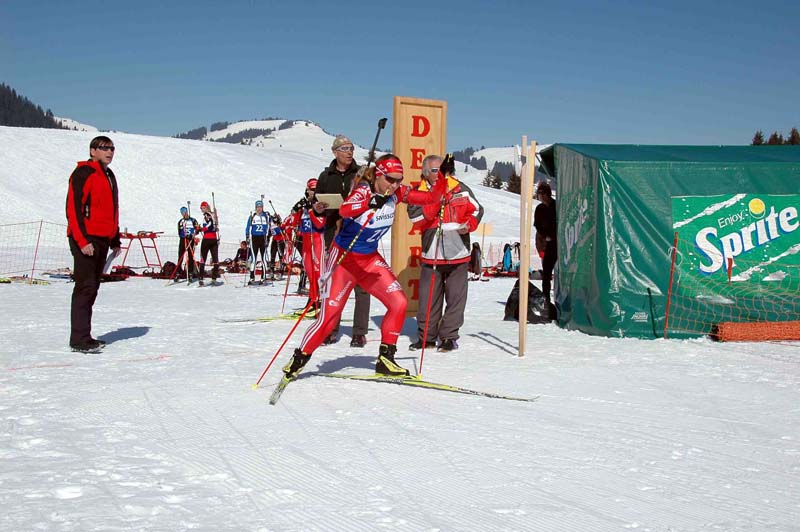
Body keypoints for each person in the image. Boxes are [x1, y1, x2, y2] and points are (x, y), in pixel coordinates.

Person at [282, 154, 447, 380]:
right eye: (390, 179)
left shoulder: (396, 193)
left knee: (399, 303)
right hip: (345, 261)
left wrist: (442, 177)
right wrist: (369, 202)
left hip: (369, 260)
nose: (394, 184)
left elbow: (431, 198)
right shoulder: (363, 190)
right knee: (329, 318)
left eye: (398, 180)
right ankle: (300, 358)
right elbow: (345, 210)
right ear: (378, 175)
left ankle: (386, 359)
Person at [408, 154, 484, 353]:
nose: (440, 173)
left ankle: (449, 336)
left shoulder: (460, 188)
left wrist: (469, 224)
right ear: (425, 172)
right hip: (432, 254)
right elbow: (416, 218)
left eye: (442, 169)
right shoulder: (418, 192)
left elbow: (476, 210)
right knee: (428, 300)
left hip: (458, 253)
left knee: (456, 299)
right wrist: (436, 201)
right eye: (435, 170)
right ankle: (426, 337)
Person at [65, 135, 121, 352]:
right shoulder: (83, 172)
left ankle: (85, 336)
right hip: (85, 238)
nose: (109, 152)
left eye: (112, 148)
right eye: (104, 148)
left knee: (93, 288)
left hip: (102, 239)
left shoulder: (109, 175)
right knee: (85, 287)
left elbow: (112, 209)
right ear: (92, 151)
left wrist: (114, 238)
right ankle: (78, 340)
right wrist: (82, 240)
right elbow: (73, 209)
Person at [315, 135, 371, 347]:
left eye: (351, 148)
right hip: (334, 233)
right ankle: (331, 329)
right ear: (335, 151)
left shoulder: (362, 174)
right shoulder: (325, 176)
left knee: (361, 286)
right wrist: (318, 207)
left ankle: (359, 332)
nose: (349, 152)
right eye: (345, 148)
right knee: (334, 284)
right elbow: (316, 203)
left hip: (359, 234)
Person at [533, 182, 557, 302]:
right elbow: (537, 226)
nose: (541, 196)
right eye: (539, 194)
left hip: (559, 244)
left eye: (542, 194)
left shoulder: (556, 206)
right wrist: (545, 236)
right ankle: (546, 299)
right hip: (547, 245)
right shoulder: (539, 209)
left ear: (547, 194)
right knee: (546, 274)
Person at [245, 200, 271, 284]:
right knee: (254, 259)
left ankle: (263, 277)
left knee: (263, 259)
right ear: (255, 208)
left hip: (263, 238)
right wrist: (247, 236)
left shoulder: (266, 216)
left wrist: (268, 238)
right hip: (254, 239)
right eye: (257, 207)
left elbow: (269, 228)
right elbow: (248, 227)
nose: (259, 209)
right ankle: (252, 277)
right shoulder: (252, 216)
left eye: (260, 207)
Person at [197, 201, 220, 286]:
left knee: (203, 259)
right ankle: (214, 278)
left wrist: (201, 229)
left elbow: (209, 225)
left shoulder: (207, 215)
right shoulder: (213, 215)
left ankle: (201, 279)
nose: (202, 210)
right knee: (215, 260)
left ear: (206, 207)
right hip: (214, 239)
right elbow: (214, 225)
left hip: (207, 239)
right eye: (201, 208)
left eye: (203, 208)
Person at [177, 206, 200, 281]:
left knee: (190, 257)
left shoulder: (193, 220)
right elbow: (179, 232)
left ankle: (190, 273)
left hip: (190, 240)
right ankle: (178, 272)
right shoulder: (181, 221)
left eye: (185, 212)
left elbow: (197, 229)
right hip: (183, 240)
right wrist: (184, 236)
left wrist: (194, 233)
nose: (184, 214)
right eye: (182, 213)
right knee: (180, 256)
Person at [268, 213, 286, 280]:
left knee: (281, 257)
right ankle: (271, 272)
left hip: (281, 241)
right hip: (274, 241)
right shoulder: (271, 224)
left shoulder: (280, 225)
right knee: (272, 256)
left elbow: (282, 230)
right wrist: (267, 239)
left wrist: (279, 224)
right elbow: (270, 232)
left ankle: (281, 273)